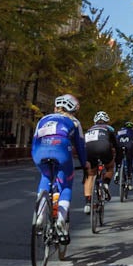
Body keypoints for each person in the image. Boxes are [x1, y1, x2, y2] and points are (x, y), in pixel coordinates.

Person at [30, 92, 85, 240]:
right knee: (66, 184)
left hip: (39, 150)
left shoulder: (43, 119)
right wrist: (85, 165)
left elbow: (34, 141)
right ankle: (61, 217)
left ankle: (40, 214)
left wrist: (36, 158)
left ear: (56, 107)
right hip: (61, 149)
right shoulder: (74, 122)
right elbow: (80, 146)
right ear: (73, 110)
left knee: (46, 176)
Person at [81, 110, 116, 216]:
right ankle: (105, 182)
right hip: (104, 150)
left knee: (90, 175)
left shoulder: (89, 130)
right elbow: (115, 145)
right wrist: (117, 158)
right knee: (110, 167)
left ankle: (87, 203)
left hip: (89, 151)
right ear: (107, 121)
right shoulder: (109, 129)